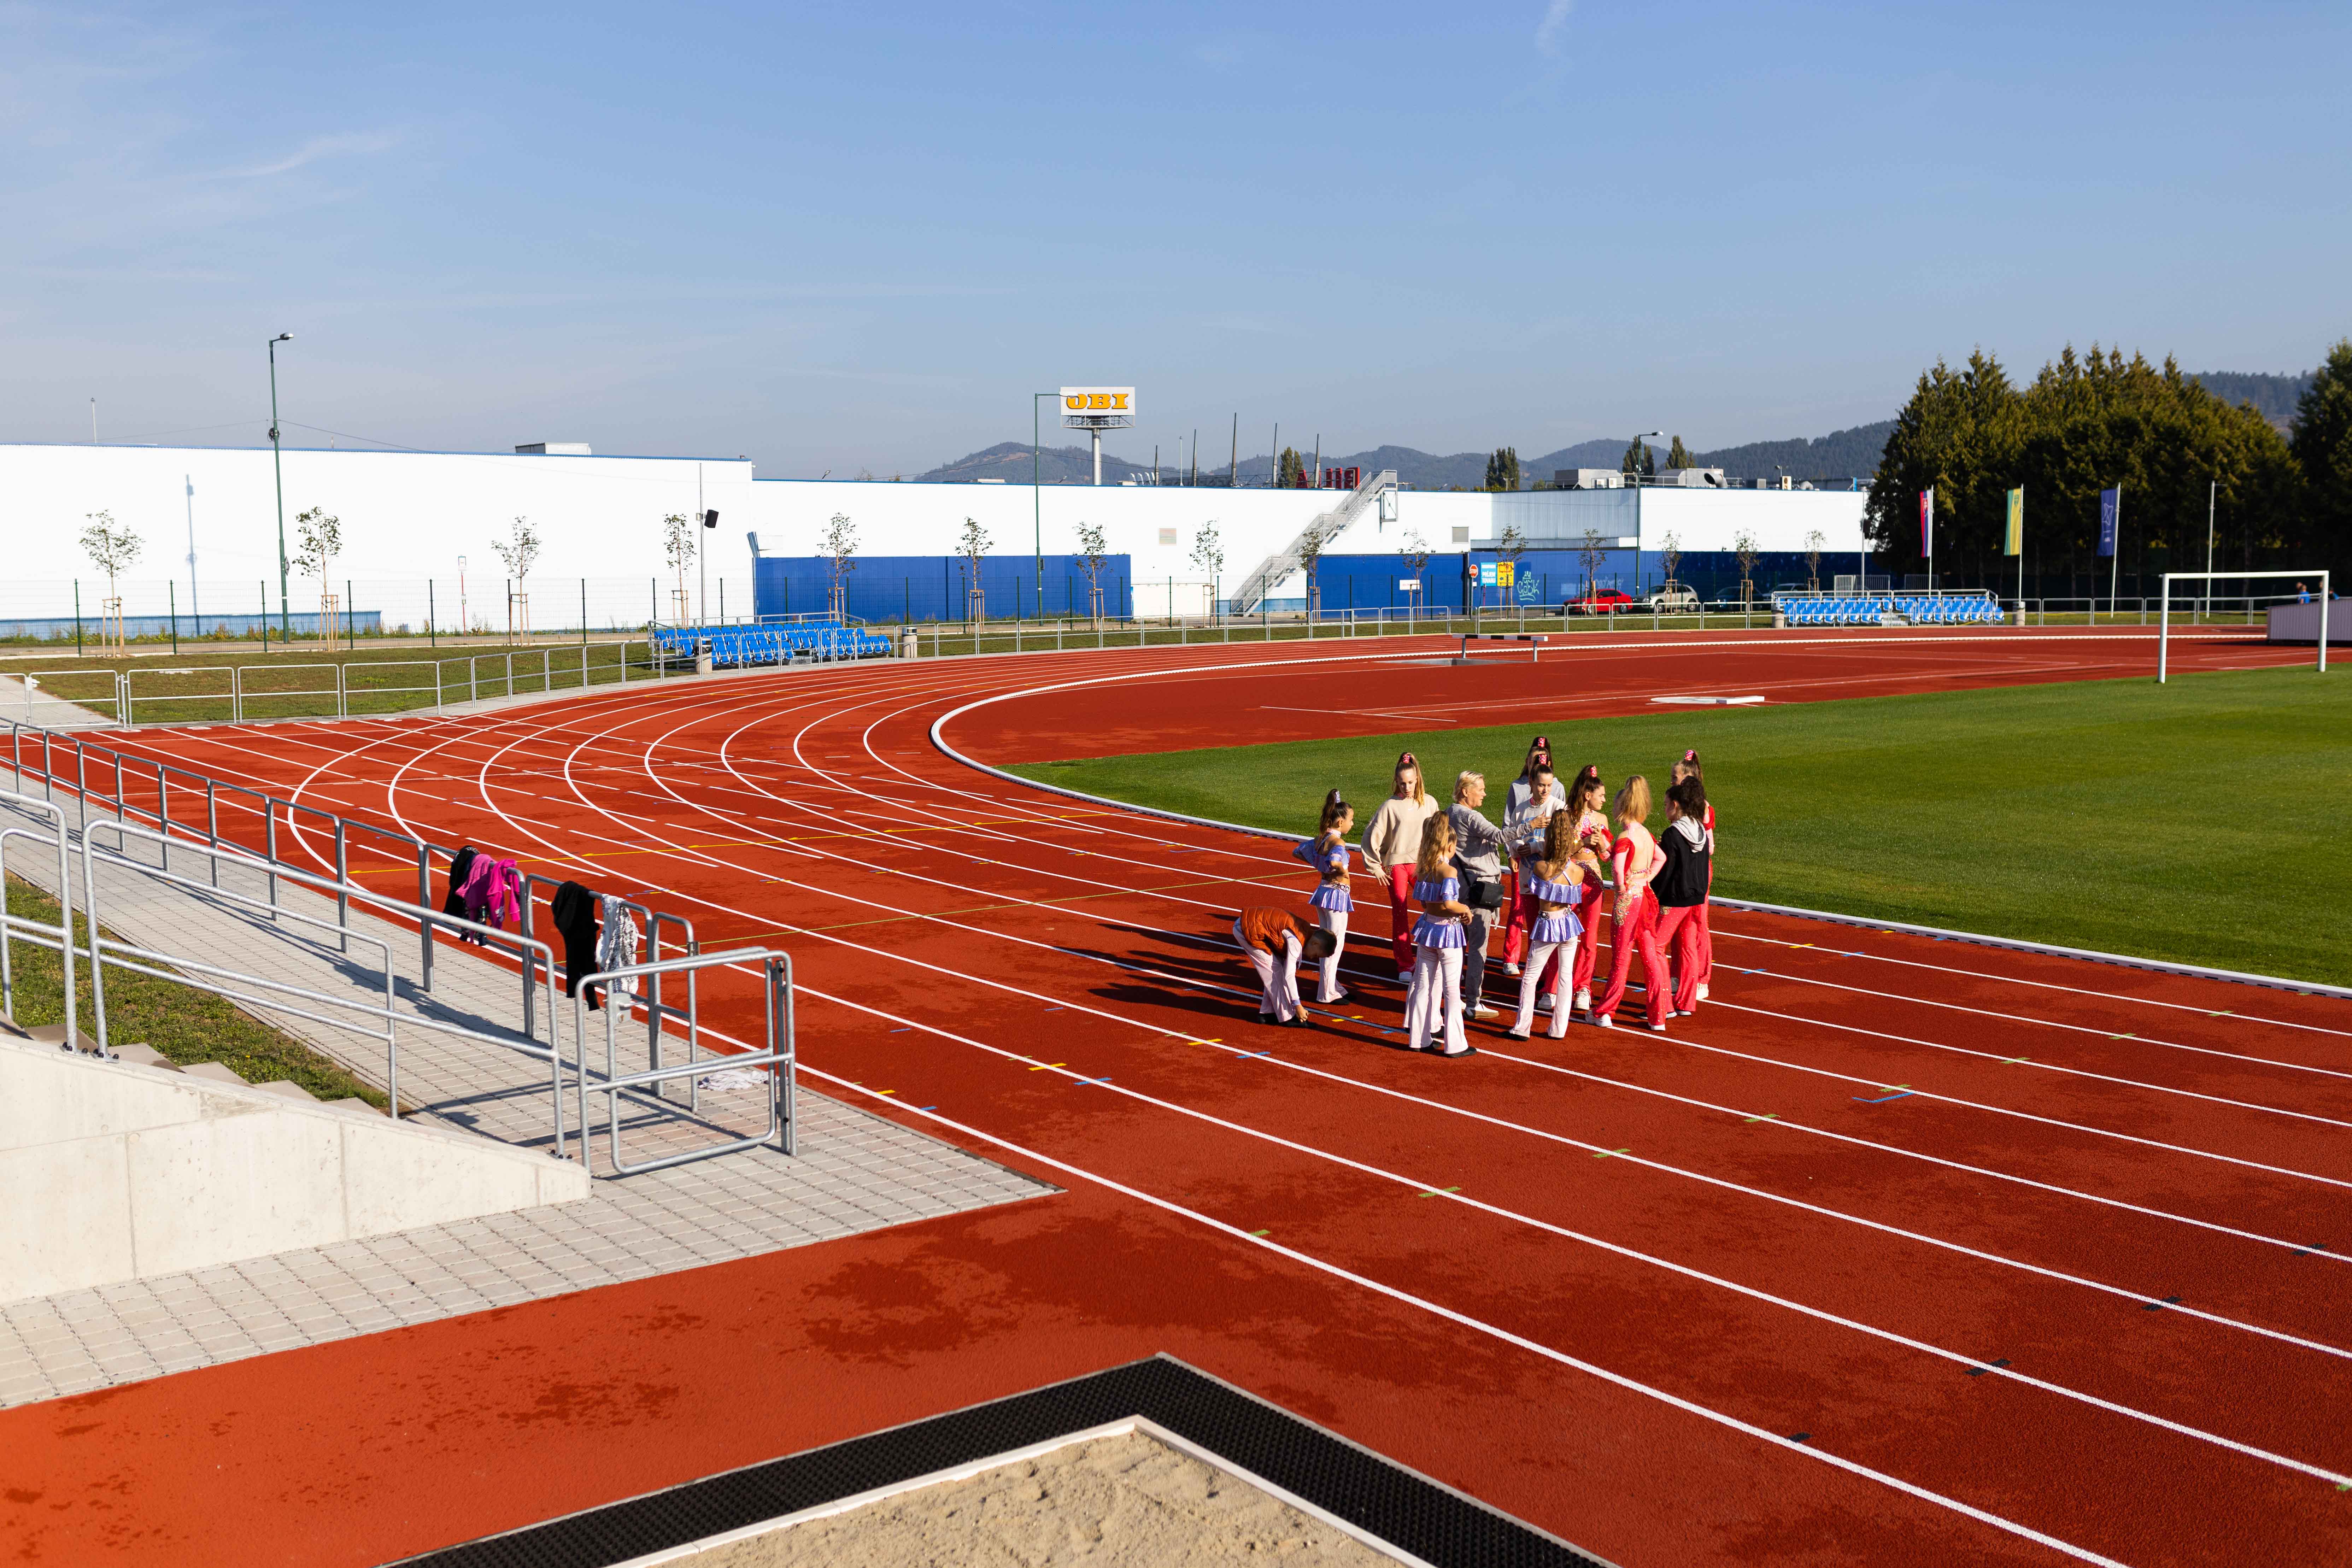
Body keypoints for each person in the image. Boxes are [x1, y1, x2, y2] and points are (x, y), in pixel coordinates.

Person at [1589, 774, 1667, 1031]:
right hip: (1645, 897)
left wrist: (1622, 887)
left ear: (1622, 807)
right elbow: (1661, 858)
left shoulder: (1625, 836)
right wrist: (1645, 878)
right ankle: (1658, 1016)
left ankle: (1605, 1011)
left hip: (1628, 901)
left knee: (1621, 959)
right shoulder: (1645, 834)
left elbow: (1617, 868)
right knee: (1649, 958)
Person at [1507, 812, 1588, 1040]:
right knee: (1565, 977)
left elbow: (1533, 890)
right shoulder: (1578, 871)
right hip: (1569, 924)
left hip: (1549, 924)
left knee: (1531, 977)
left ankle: (1522, 1028)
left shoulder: (1542, 867)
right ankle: (1558, 1029)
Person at [1363, 751, 1441, 981]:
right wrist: (1375, 867)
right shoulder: (1389, 806)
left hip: (1423, 864)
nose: (1407, 787)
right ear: (1396, 782)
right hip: (1395, 864)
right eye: (1402, 783)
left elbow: (1439, 832)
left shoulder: (1430, 802)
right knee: (1400, 912)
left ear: (1417, 779)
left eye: (1410, 782)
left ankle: (1436, 959)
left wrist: (1440, 859)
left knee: (1436, 907)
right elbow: (1370, 837)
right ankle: (1405, 965)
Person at [1403, 817, 1475, 1056]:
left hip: (1428, 930)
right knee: (1452, 990)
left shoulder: (1423, 870)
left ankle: (1418, 1039)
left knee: (1423, 985)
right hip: (1448, 933)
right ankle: (1455, 1044)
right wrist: (1465, 910)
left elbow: (1425, 903)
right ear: (1450, 847)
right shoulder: (1449, 871)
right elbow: (1449, 903)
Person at [1447, 771, 1509, 1021]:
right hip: (1479, 890)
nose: (1484, 794)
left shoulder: (1449, 813)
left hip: (1460, 887)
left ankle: (1453, 997)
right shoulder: (1471, 816)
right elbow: (1500, 836)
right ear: (1466, 791)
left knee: (1456, 947)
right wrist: (1532, 825)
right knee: (1478, 949)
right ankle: (1474, 1002)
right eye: (1480, 789)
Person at [1650, 779, 1714, 1019]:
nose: (1665, 809)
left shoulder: (1673, 834)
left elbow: (1667, 871)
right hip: (1695, 899)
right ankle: (1687, 1002)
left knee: (1656, 947)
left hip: (1675, 900)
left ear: (1676, 805)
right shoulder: (1700, 830)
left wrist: (1654, 895)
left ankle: (1664, 1004)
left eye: (1666, 805)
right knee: (1689, 949)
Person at [1502, 760, 1568, 985]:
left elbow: (1562, 843)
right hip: (1527, 878)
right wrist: (1516, 848)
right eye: (1541, 785)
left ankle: (1551, 983)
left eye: (1549, 786)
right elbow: (1511, 836)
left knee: (1551, 931)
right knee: (1533, 930)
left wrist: (1536, 847)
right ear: (1531, 783)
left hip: (1551, 879)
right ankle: (1536, 977)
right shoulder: (1521, 809)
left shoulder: (1558, 807)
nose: (1545, 790)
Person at [1291, 790, 1356, 1004]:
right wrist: (1342, 872)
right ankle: (1326, 992)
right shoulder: (1338, 843)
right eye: (1351, 820)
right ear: (1340, 822)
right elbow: (1336, 862)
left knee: (1327, 941)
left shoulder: (1321, 839)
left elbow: (1298, 851)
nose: (1353, 824)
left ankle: (1332, 985)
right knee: (1334, 945)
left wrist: (1319, 864)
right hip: (1337, 895)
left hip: (1323, 892)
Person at [1562, 765, 1613, 1016]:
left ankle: (1583, 988)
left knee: (1589, 939)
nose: (1604, 800)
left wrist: (1602, 843)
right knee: (1561, 933)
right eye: (1601, 795)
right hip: (1569, 880)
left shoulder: (1601, 820)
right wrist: (1581, 841)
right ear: (1587, 795)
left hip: (1593, 882)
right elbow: (1559, 850)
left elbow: (1607, 856)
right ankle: (1555, 986)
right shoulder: (1566, 816)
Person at [1232, 905, 1336, 1026]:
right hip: (1246, 929)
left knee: (1277, 969)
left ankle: (1267, 1013)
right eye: (1317, 955)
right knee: (1275, 971)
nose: (1313, 958)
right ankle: (1288, 1017)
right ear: (1315, 943)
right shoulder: (1296, 942)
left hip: (1252, 925)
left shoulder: (1306, 933)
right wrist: (1298, 1006)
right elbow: (1289, 976)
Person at [1670, 748, 1714, 1001]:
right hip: (1683, 868)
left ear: (1687, 780)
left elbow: (1709, 846)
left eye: (1674, 778)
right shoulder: (1676, 804)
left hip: (1698, 870)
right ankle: (1678, 973)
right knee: (1678, 923)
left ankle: (1701, 978)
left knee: (1698, 924)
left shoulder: (1703, 807)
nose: (1671, 782)